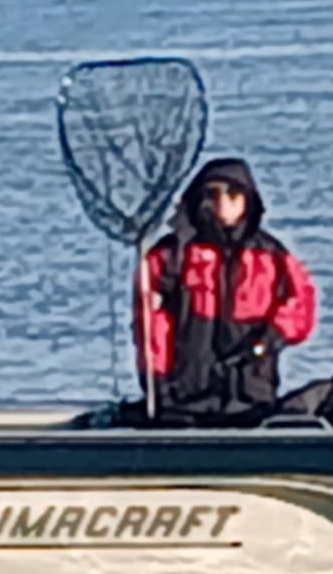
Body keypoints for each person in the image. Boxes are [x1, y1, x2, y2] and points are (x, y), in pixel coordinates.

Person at [136, 157, 318, 424]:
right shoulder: (170, 256)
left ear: (247, 200)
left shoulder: (270, 255)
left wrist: (271, 338)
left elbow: (301, 306)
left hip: (250, 395)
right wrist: (156, 378)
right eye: (212, 194)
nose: (222, 204)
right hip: (183, 398)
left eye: (233, 194)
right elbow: (151, 326)